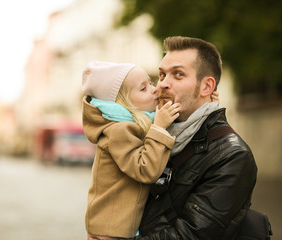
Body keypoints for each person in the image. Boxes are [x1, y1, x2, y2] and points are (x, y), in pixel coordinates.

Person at [134, 36, 258, 239]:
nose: (163, 84)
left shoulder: (232, 156)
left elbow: (190, 234)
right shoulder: (158, 133)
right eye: (162, 75)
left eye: (178, 74)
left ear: (206, 87)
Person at [81, 60, 181, 239]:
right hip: (109, 231)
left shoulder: (137, 124)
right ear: (124, 103)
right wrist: (159, 127)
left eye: (150, 82)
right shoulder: (119, 131)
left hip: (117, 228)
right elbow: (146, 170)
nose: (155, 89)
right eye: (143, 88)